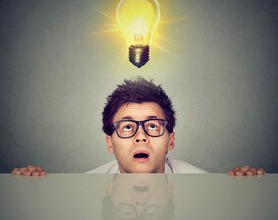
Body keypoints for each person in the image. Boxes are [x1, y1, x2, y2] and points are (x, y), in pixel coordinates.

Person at [11, 77, 265, 175]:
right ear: (110, 142)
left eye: (153, 126)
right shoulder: (82, 192)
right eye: (127, 127)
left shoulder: (206, 190)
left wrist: (244, 195)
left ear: (171, 141)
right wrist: (30, 192)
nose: (141, 137)